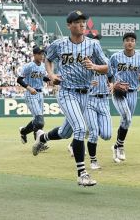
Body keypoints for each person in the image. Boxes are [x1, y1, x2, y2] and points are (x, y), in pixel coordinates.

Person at [32, 10, 109, 187]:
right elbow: (49, 60)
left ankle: (42, 138)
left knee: (65, 132)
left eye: (83, 21)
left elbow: (107, 67)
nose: (82, 24)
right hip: (66, 91)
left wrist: (95, 66)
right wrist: (51, 75)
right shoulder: (58, 44)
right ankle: (82, 173)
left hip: (85, 94)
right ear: (69, 25)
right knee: (81, 129)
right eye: (77, 21)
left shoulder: (93, 45)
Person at [110, 32, 140, 163]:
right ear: (123, 42)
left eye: (132, 40)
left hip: (133, 91)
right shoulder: (115, 57)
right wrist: (112, 84)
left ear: (135, 43)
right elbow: (108, 73)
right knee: (126, 116)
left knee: (127, 121)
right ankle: (120, 146)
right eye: (127, 40)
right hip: (118, 91)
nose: (130, 42)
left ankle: (117, 145)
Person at [17, 46, 50, 148]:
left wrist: (48, 80)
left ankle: (23, 131)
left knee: (38, 120)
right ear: (34, 55)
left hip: (40, 93)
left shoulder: (43, 66)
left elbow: (42, 76)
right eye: (39, 54)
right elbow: (19, 79)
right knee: (39, 121)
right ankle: (39, 143)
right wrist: (29, 88)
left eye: (43, 54)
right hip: (31, 93)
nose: (42, 56)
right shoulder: (28, 66)